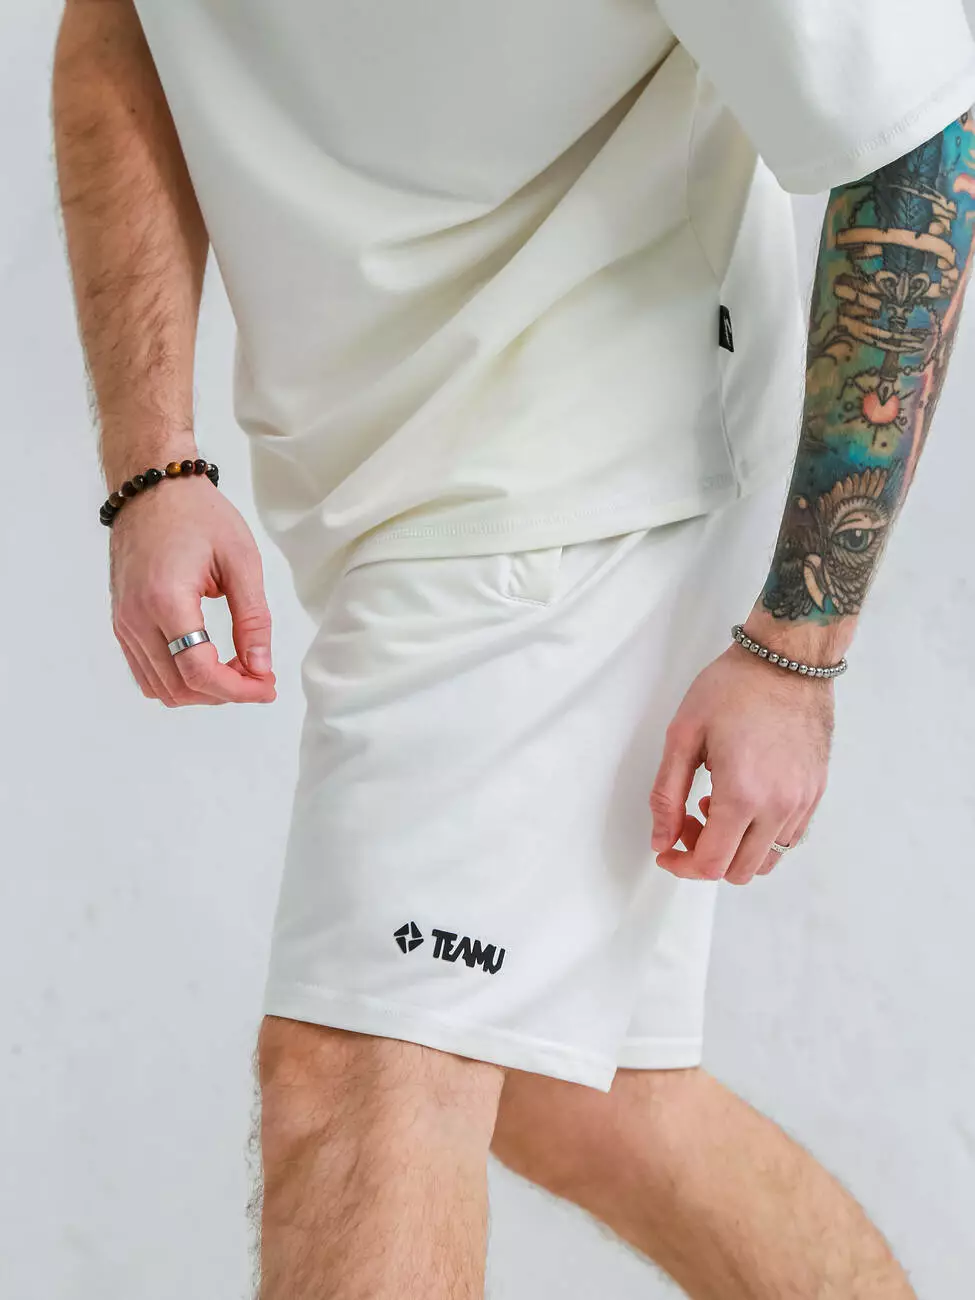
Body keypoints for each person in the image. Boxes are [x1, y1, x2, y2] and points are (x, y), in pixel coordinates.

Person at [52, 0, 975, 1294]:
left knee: (359, 1075)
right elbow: (121, 21)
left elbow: (915, 140)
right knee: (579, 1096)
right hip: (366, 471)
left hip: (592, 458)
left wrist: (795, 646)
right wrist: (150, 460)